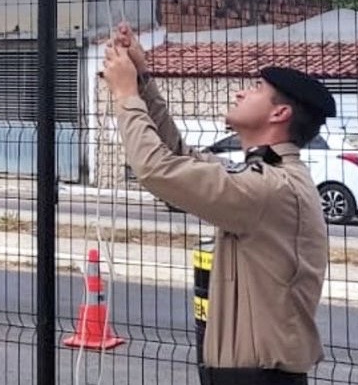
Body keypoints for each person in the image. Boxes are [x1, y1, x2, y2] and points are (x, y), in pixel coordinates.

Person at [101, 23, 336, 385]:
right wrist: (143, 80)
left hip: (259, 378)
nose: (241, 92)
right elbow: (178, 156)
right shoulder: (266, 175)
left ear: (279, 114)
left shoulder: (269, 189)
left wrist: (125, 94)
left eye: (257, 89)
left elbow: (156, 169)